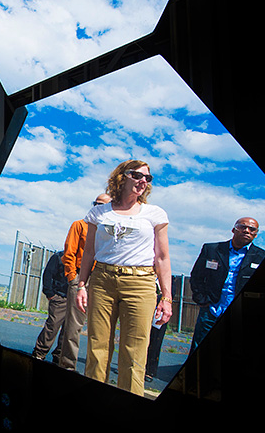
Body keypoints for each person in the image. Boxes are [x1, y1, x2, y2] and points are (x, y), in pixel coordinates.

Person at [75, 160, 172, 396]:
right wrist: (81, 285)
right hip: (102, 280)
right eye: (137, 175)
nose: (143, 181)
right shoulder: (99, 212)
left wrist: (167, 297)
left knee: (135, 350)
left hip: (140, 283)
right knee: (97, 346)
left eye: (147, 178)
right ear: (122, 176)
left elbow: (162, 257)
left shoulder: (154, 213)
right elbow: (89, 251)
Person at [188, 217, 265, 353]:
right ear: (233, 229)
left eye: (252, 229)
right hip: (211, 310)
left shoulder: (261, 256)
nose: (246, 231)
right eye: (242, 227)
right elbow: (196, 276)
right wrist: (202, 300)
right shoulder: (212, 249)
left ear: (256, 234)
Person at [59, 193, 111, 371]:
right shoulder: (80, 225)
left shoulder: (111, 230)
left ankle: (95, 372)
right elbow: (69, 253)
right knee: (73, 327)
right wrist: (73, 278)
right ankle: (67, 366)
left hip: (104, 280)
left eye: (102, 204)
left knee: (100, 329)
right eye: (95, 203)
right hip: (82, 278)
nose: (97, 206)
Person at [31, 251, 67, 363]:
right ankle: (39, 352)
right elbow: (48, 274)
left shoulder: (83, 259)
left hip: (75, 299)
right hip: (60, 297)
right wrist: (50, 293)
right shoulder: (59, 256)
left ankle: (60, 355)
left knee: (69, 330)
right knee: (53, 326)